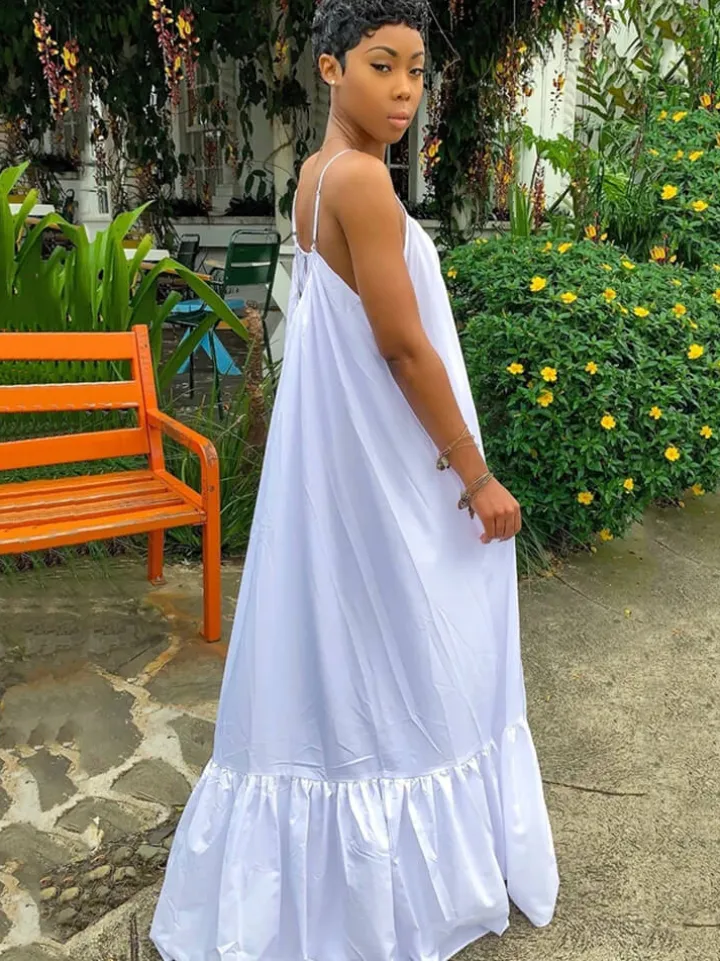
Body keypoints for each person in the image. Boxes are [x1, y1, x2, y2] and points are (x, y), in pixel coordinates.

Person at [151, 1, 558, 958]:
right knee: (423, 649)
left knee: (360, 651)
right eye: (383, 65)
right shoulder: (363, 184)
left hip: (352, 456)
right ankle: (402, 878)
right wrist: (477, 475)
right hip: (389, 464)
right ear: (331, 69)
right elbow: (403, 346)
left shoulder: (317, 174)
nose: (406, 90)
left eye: (416, 69)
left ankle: (351, 871)